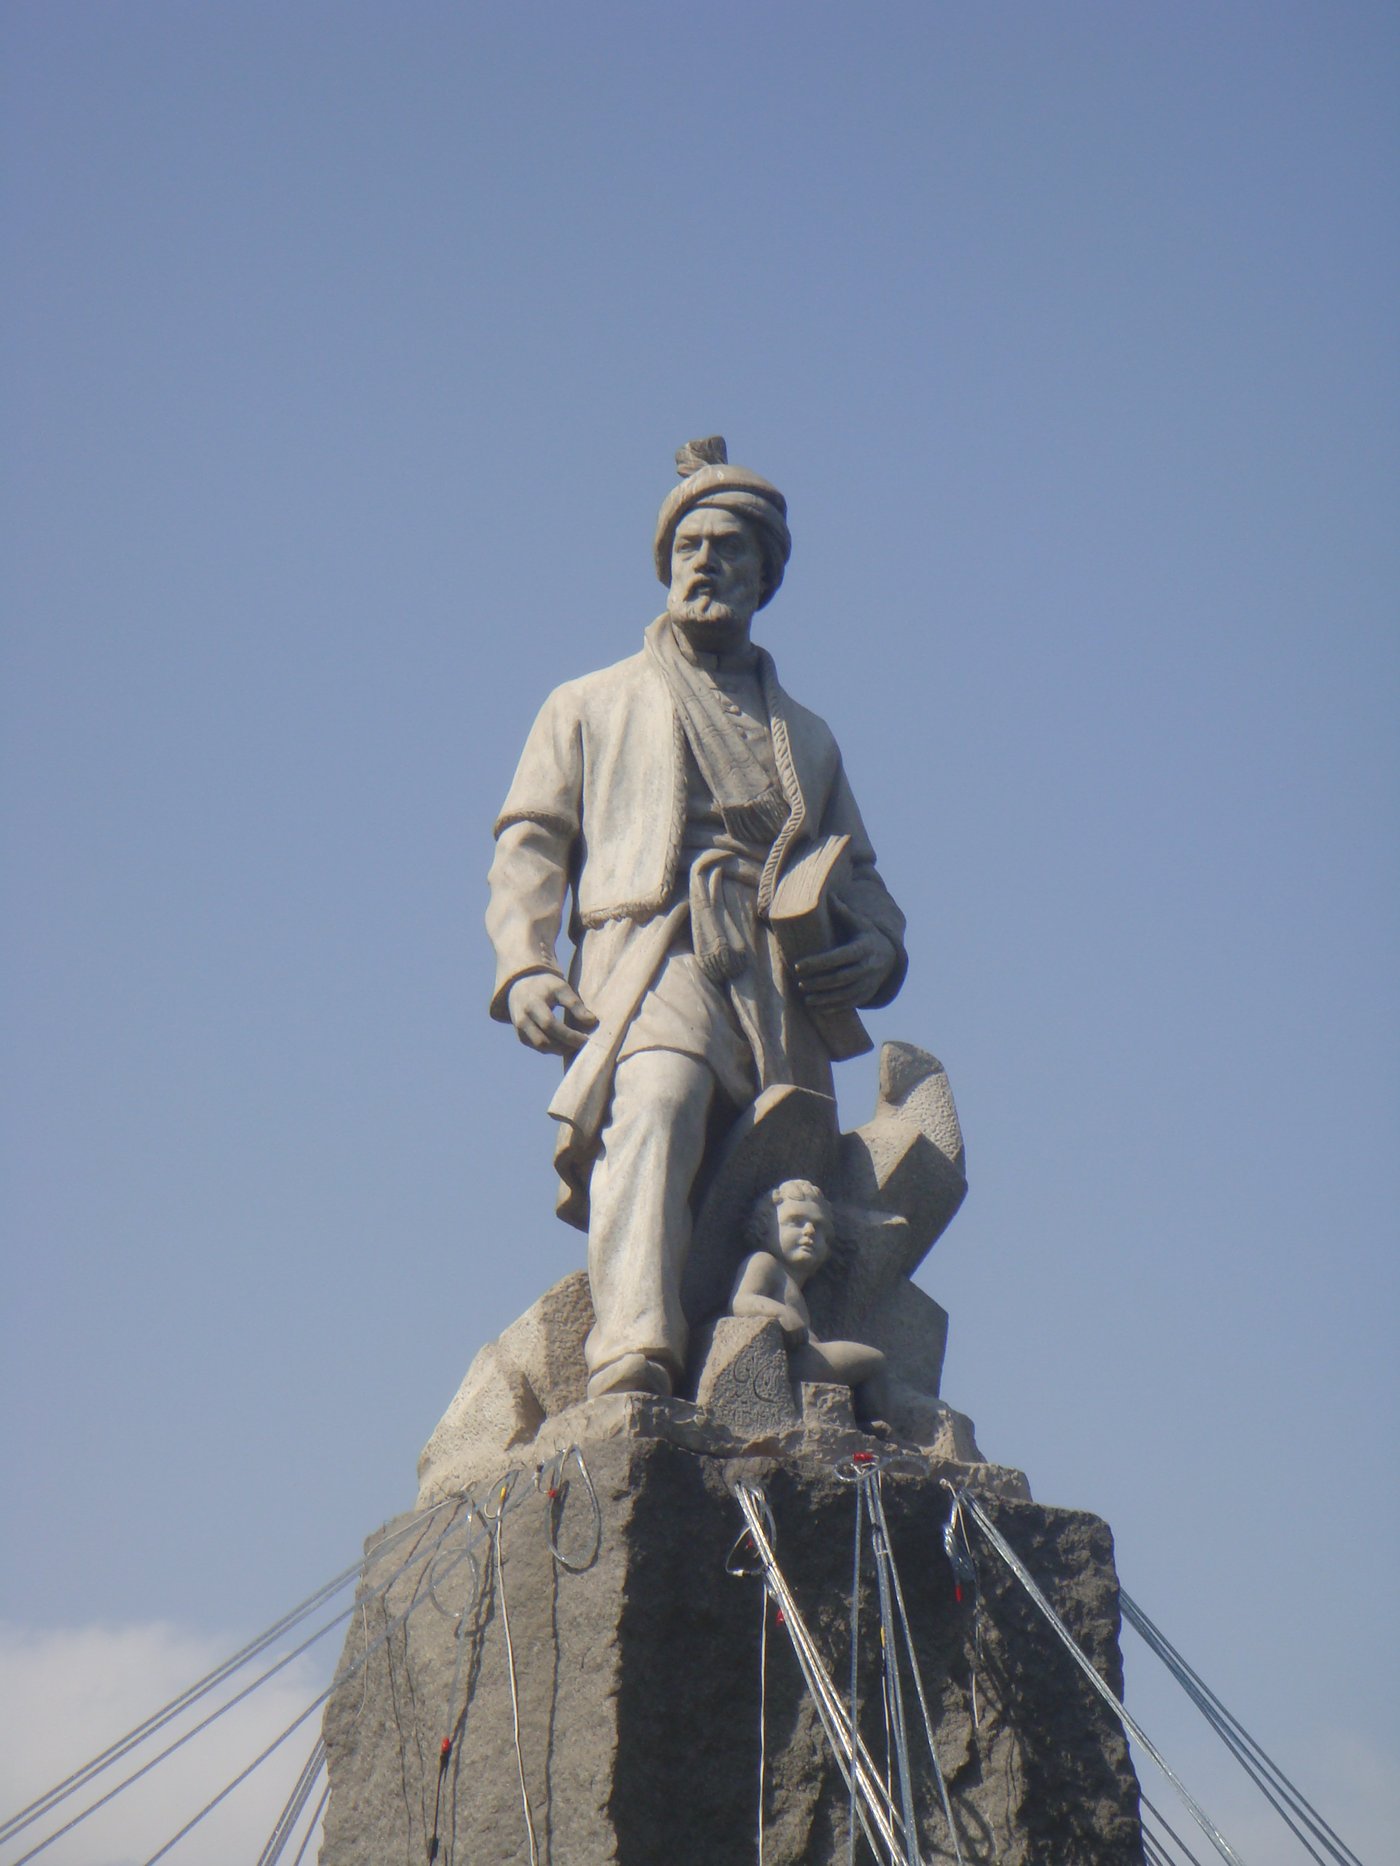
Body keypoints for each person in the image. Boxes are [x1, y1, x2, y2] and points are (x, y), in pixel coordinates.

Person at [487, 437, 906, 1398]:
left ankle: (766, 1351)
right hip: (652, 948)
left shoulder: (807, 733)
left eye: (729, 548)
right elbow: (530, 845)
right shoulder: (589, 702)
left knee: (772, 1191)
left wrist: (877, 949)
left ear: (766, 574)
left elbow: (867, 884)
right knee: (660, 1106)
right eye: (690, 547)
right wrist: (525, 965)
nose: (706, 563)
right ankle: (634, 1345)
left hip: (774, 974)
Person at [731, 1178, 888, 1418]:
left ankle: (869, 1418)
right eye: (796, 1222)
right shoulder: (764, 1262)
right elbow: (742, 1301)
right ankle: (873, 1417)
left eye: (819, 1226)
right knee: (874, 1360)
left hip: (806, 1357)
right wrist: (781, 1313)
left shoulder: (794, 1283)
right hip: (796, 1360)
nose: (810, 1231)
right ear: (766, 1227)